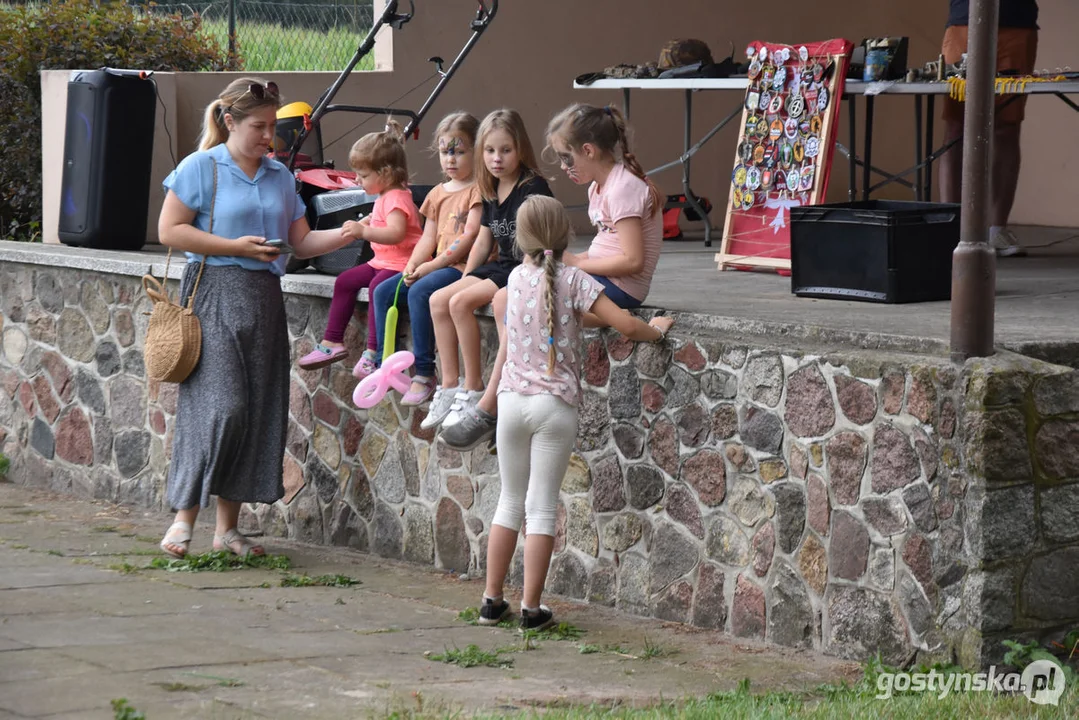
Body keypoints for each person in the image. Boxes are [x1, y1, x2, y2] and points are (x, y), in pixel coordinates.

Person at [157, 78, 357, 558]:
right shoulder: (202, 167)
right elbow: (169, 229)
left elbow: (302, 243)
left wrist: (350, 233)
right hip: (214, 294)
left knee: (256, 410)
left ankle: (227, 530)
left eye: (273, 126)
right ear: (230, 121)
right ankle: (183, 518)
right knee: (221, 405)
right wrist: (234, 247)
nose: (270, 136)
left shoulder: (280, 177)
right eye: (259, 126)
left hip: (265, 297)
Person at [475, 196, 675, 630]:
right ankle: (531, 609)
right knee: (541, 507)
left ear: (522, 239)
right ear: (568, 235)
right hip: (554, 407)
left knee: (509, 501)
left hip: (511, 402)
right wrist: (654, 331)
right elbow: (623, 323)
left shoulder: (514, 278)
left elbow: (540, 320)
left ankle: (491, 601)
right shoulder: (575, 280)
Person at [443, 103, 663, 450]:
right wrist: (576, 262)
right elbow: (606, 249)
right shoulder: (600, 186)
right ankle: (506, 398)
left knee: (519, 302)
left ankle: (494, 405)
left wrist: (574, 262)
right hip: (599, 277)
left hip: (621, 288)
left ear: (588, 151)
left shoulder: (623, 188)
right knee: (507, 298)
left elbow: (632, 261)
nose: (563, 167)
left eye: (567, 158)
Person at [422, 109, 553, 430]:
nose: (497, 158)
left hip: (524, 269)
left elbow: (541, 245)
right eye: (490, 150)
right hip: (500, 266)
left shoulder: (531, 187)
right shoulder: (490, 186)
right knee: (439, 299)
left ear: (520, 148)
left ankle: (474, 387)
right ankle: (450, 385)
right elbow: (483, 241)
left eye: (505, 150)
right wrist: (467, 277)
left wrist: (467, 288)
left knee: (459, 302)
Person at [369, 112, 483, 405]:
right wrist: (412, 264)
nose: (451, 159)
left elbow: (468, 238)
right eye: (446, 152)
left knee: (420, 291)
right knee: (384, 291)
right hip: (435, 264)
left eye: (459, 152)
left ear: (477, 151)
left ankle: (424, 372)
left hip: (462, 268)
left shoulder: (479, 191)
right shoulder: (436, 193)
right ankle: (387, 362)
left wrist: (429, 266)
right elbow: (428, 238)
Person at [297, 121, 423, 374]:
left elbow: (397, 233)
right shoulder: (386, 195)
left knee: (378, 289)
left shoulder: (397, 198)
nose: (357, 179)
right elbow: (386, 222)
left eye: (363, 175)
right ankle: (332, 340)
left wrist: (364, 231)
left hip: (400, 265)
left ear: (385, 174)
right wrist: (367, 221)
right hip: (381, 262)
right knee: (345, 281)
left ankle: (374, 353)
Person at [939, 0, 1039, 256]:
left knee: (1007, 127)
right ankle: (951, 228)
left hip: (1016, 22)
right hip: (964, 22)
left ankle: (997, 229)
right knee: (956, 131)